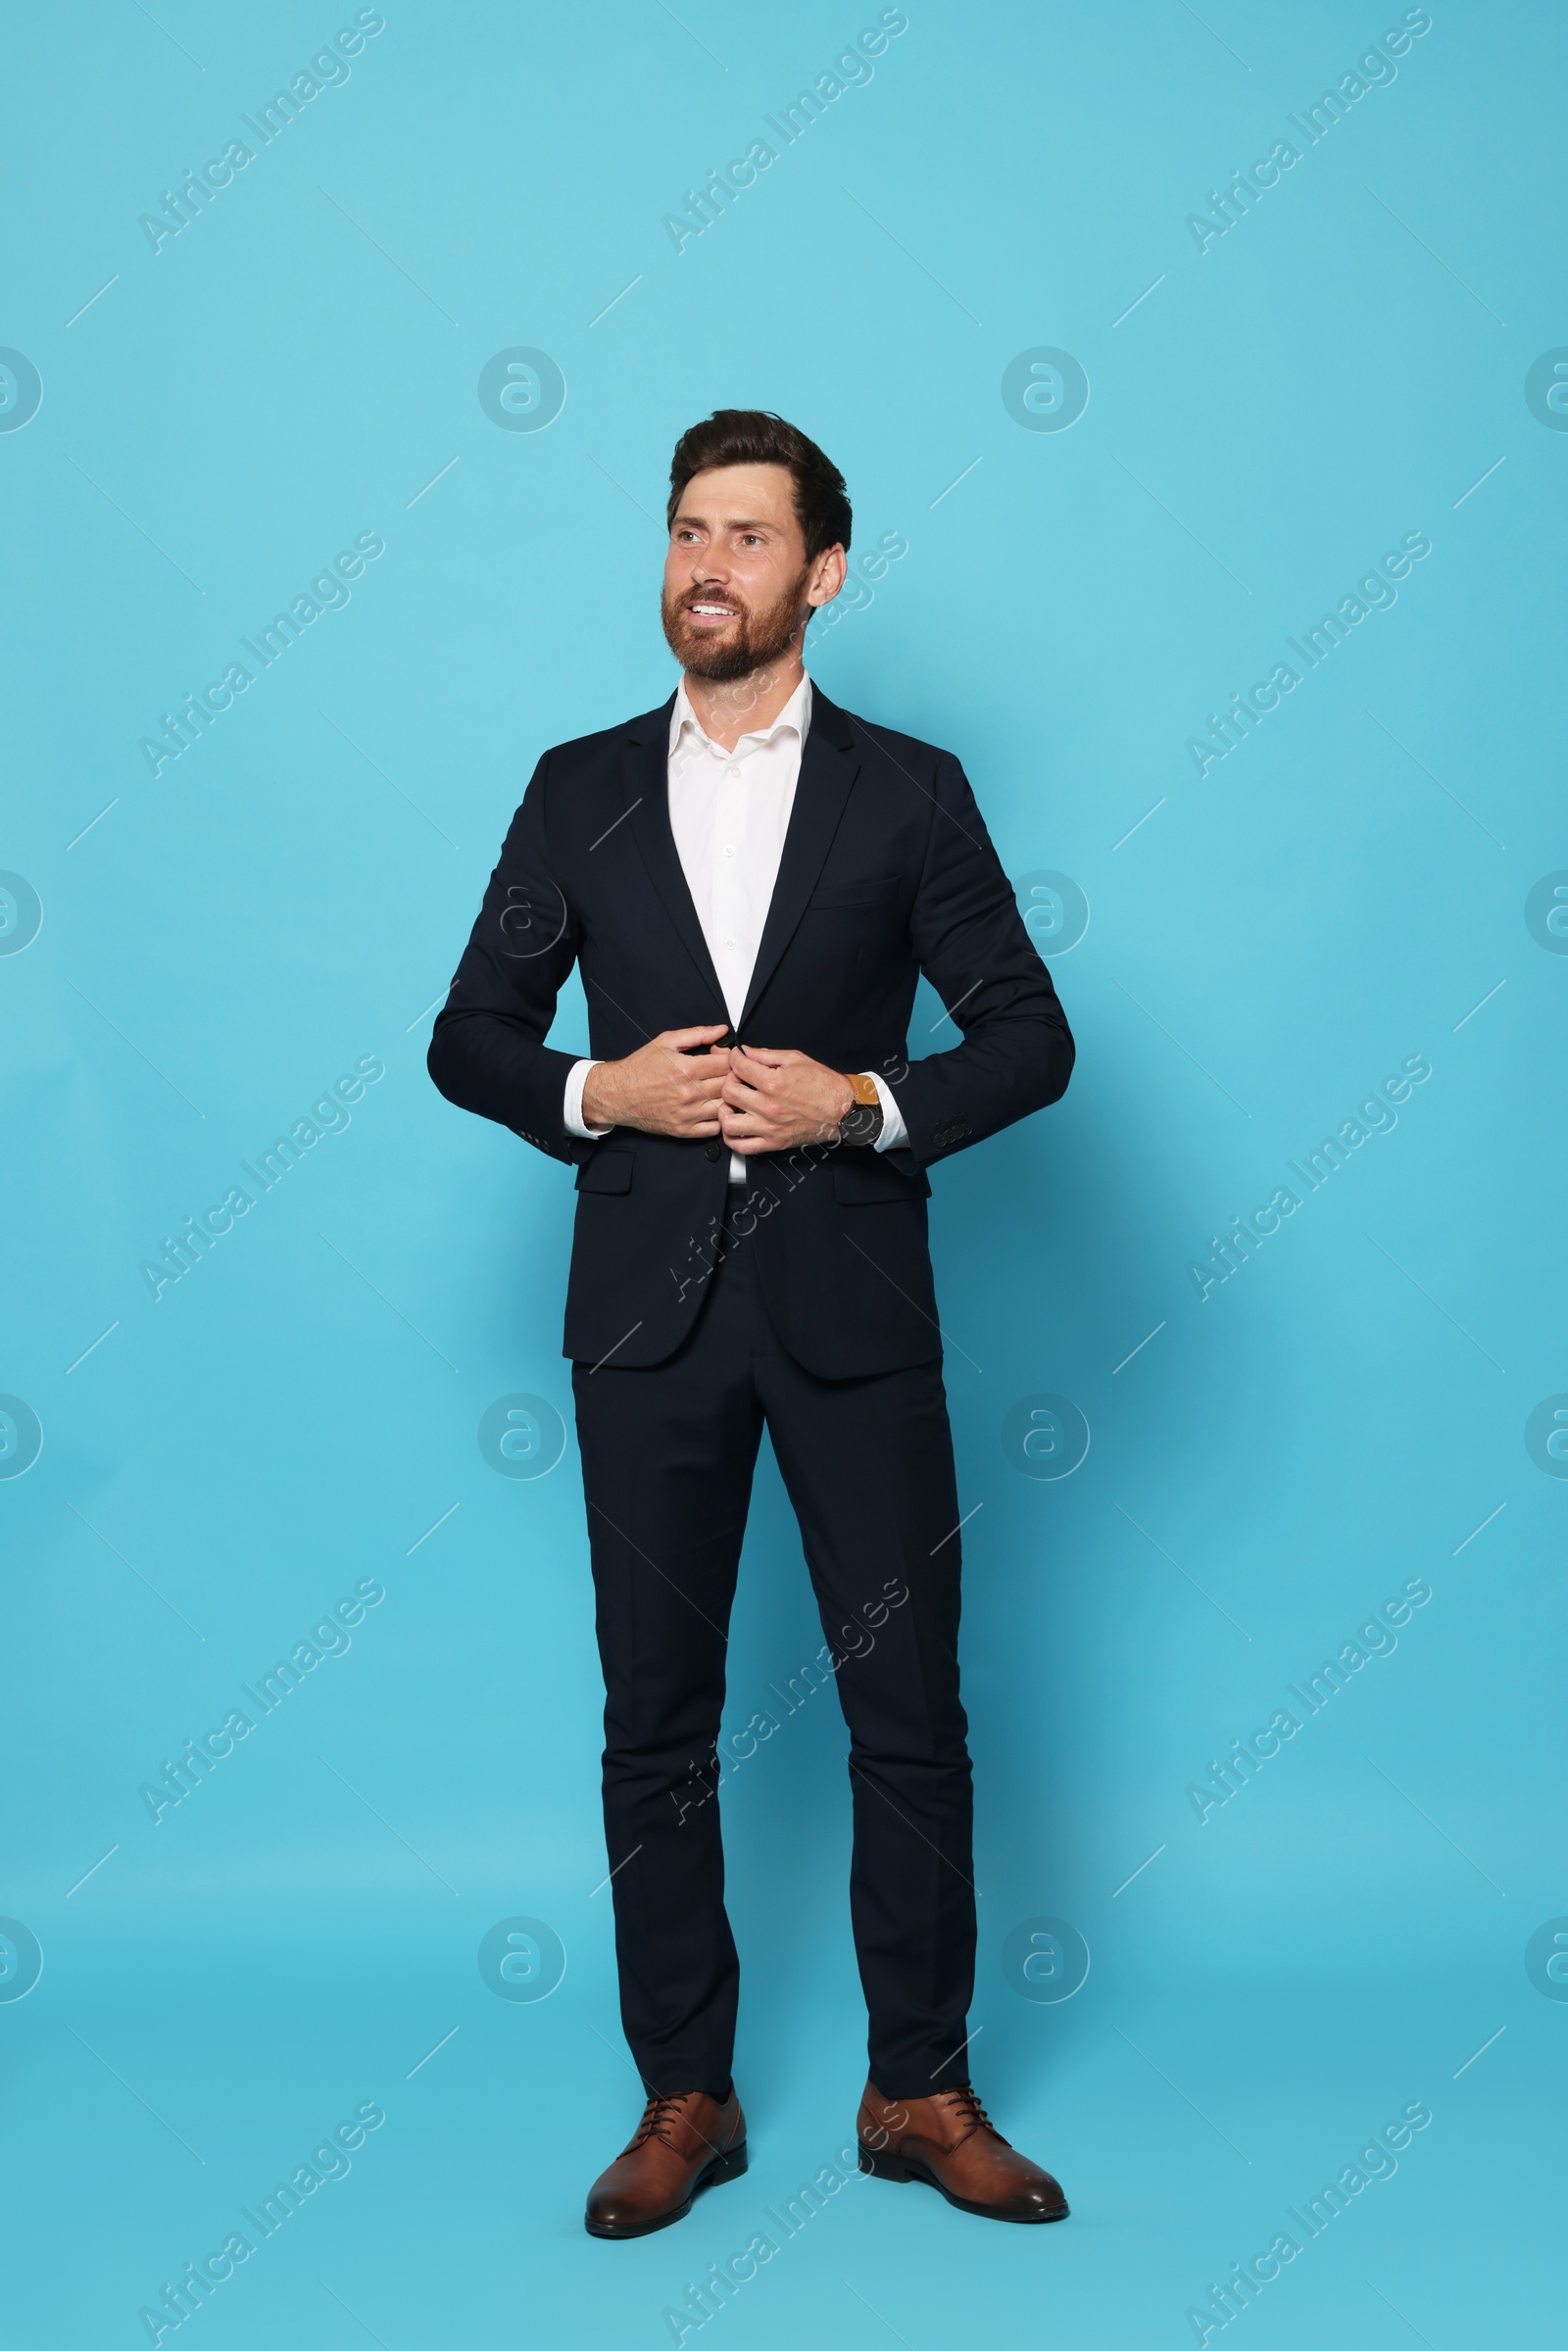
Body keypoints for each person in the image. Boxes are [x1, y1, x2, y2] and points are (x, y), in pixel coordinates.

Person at [428, 410, 1076, 2236]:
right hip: (643, 1326)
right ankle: (684, 2097)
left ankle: (920, 2089)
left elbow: (1029, 1036)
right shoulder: (577, 789)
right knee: (657, 1721)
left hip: (855, 1316)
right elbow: (465, 1035)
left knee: (910, 1712)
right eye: (684, 532)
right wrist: (594, 1096)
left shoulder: (910, 790)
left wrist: (861, 1104)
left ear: (825, 572)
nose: (704, 566)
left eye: (746, 537)